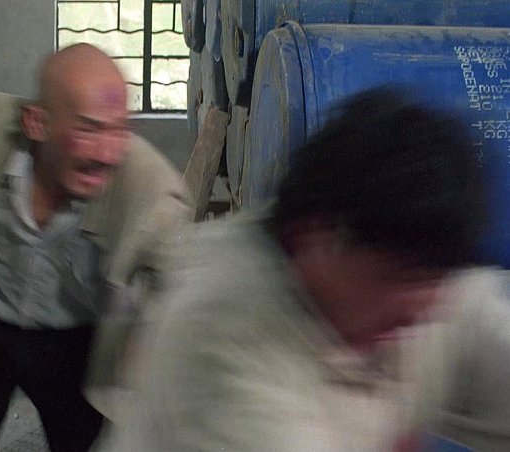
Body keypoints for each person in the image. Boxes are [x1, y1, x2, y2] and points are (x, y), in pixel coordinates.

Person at [98, 87, 510, 451]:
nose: (422, 311)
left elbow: (478, 314)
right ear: (315, 238)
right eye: (399, 278)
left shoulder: (418, 273)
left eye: (433, 281)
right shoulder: (221, 341)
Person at [0, 43, 192, 452]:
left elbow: (181, 288)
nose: (108, 154)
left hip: (75, 340)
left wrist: (144, 352)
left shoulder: (152, 192)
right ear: (37, 123)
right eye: (88, 129)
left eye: (120, 129)